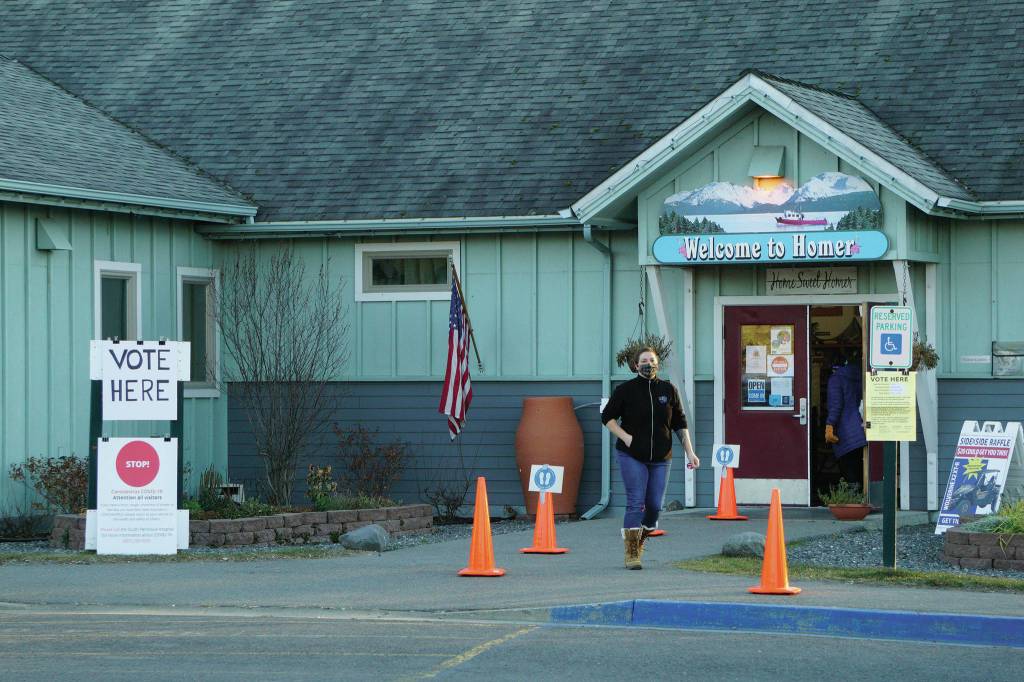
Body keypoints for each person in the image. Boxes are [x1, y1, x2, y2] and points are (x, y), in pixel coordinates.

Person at [601, 347, 699, 569]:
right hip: (631, 454)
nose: (648, 364)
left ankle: (640, 539)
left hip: (661, 457)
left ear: (658, 364)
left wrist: (690, 452)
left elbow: (679, 423)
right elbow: (607, 417)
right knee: (636, 502)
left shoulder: (668, 390)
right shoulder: (625, 390)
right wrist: (626, 438)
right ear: (636, 365)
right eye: (643, 361)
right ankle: (632, 553)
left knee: (654, 507)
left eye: (652, 360)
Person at [824, 352, 868, 488]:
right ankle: (861, 499)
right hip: (861, 429)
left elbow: (836, 405)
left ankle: (852, 501)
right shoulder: (860, 375)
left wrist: (829, 424)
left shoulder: (836, 379)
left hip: (845, 432)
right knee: (859, 467)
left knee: (849, 471)